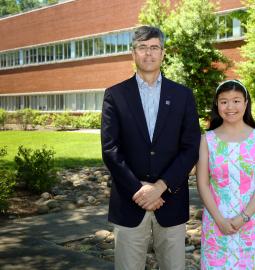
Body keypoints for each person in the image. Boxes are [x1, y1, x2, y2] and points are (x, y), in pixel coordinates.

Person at [101, 25, 201, 270]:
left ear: (163, 53)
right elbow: (110, 149)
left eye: (154, 47)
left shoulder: (183, 95)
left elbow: (191, 148)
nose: (148, 53)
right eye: (142, 48)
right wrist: (140, 190)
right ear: (133, 53)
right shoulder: (115, 95)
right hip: (129, 202)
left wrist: (160, 187)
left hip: (171, 202)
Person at [196, 80, 255, 269]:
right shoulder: (207, 140)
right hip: (216, 221)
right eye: (224, 101)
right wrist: (220, 220)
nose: (230, 106)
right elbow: (203, 184)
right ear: (217, 104)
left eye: (236, 101)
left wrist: (243, 217)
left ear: (246, 103)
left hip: (250, 221)